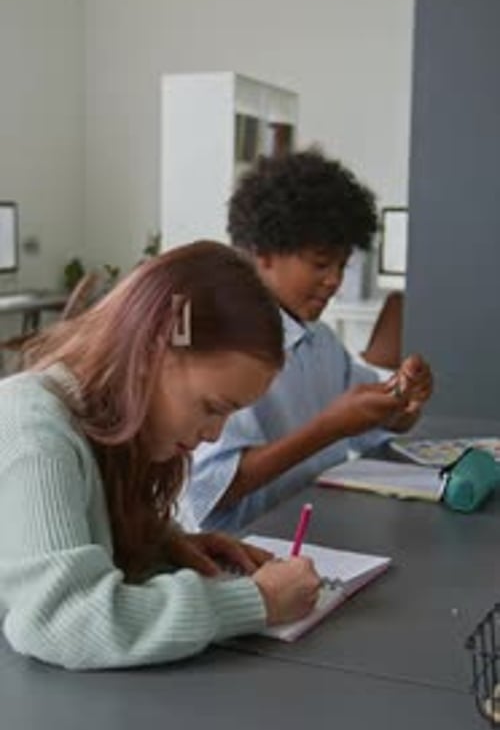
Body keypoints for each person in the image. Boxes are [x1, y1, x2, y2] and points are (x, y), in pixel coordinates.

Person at [0, 241, 322, 670]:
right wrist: (254, 600)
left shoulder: (102, 428)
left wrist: (161, 544)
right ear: (150, 355)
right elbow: (65, 619)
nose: (214, 435)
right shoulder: (31, 429)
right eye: (212, 407)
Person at [182, 150, 433, 532]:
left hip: (313, 533)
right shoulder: (227, 351)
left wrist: (403, 398)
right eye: (320, 264)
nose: (334, 280)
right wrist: (328, 428)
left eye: (341, 266)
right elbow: (213, 488)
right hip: (249, 546)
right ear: (263, 253)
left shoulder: (320, 342)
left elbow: (376, 418)